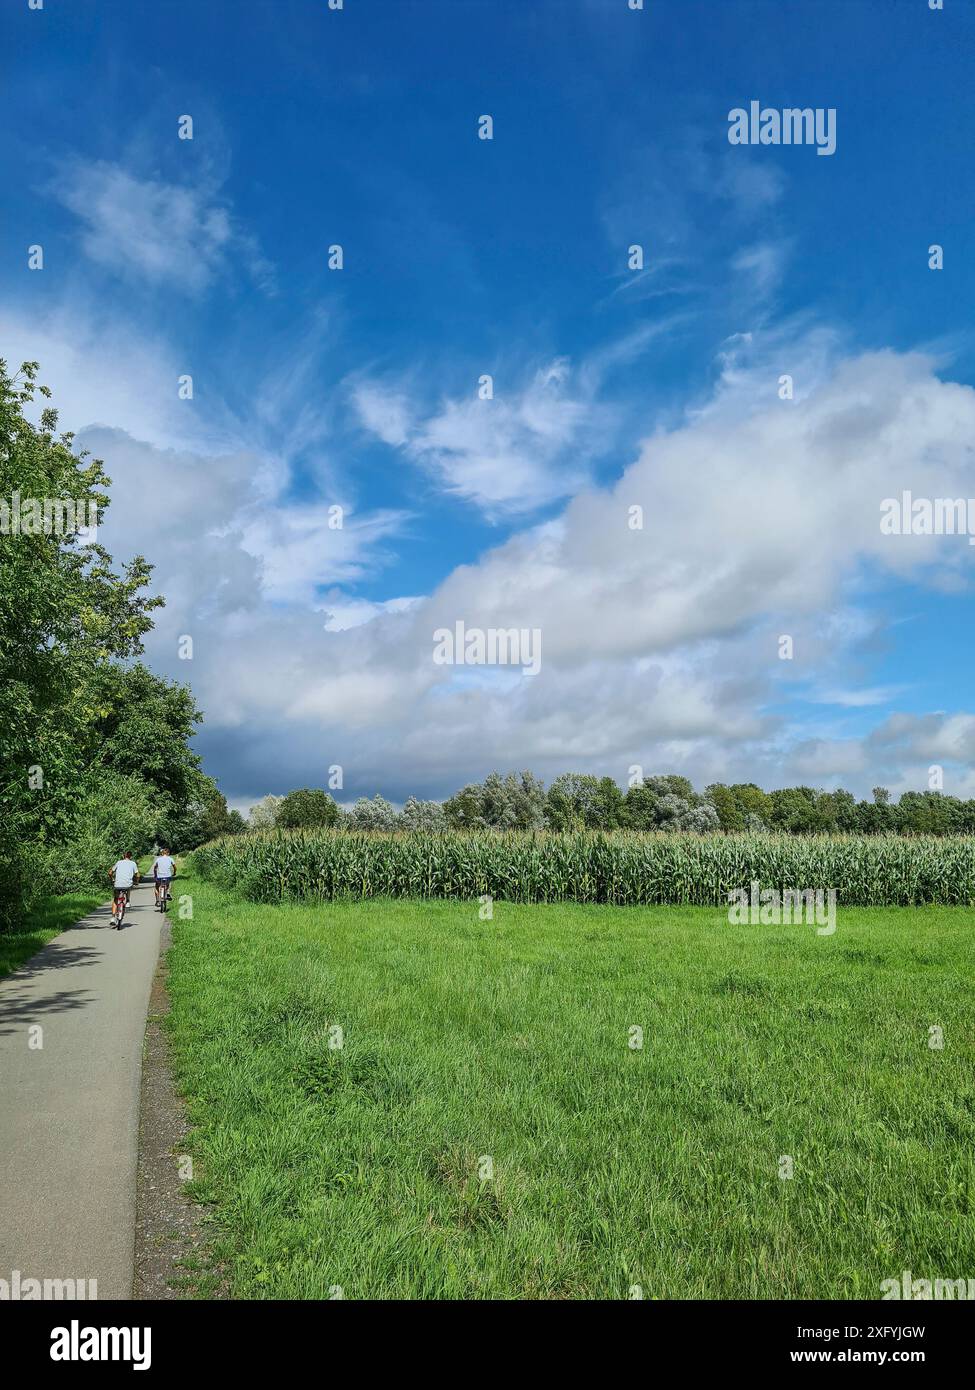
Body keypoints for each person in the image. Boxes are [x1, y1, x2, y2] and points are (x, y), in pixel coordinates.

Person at [109, 851, 140, 928]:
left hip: (117, 884)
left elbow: (110, 873)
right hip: (127, 885)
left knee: (116, 899)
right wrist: (136, 881)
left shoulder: (118, 862)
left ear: (123, 856)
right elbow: (138, 874)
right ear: (131, 856)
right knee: (129, 887)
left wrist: (112, 879)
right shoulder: (133, 863)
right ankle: (128, 901)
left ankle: (113, 918)